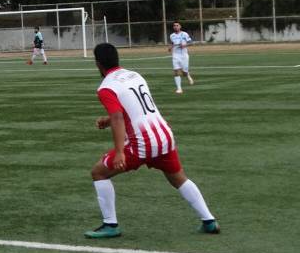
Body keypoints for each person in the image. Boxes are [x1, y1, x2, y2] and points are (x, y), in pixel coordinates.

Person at [85, 42, 219, 238]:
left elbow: (118, 117)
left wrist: (120, 151)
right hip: (164, 135)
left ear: (98, 64)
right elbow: (135, 107)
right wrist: (108, 120)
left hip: (142, 142)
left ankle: (110, 225)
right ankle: (209, 220)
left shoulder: (106, 88)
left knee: (98, 172)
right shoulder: (134, 74)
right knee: (178, 178)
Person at [168, 21, 194, 94]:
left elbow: (191, 43)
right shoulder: (171, 35)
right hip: (175, 55)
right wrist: (170, 47)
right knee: (176, 71)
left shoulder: (184, 34)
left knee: (184, 73)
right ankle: (179, 89)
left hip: (184, 55)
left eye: (177, 25)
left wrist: (184, 45)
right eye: (174, 25)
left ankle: (187, 75)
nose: (175, 27)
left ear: (180, 26)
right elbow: (172, 43)